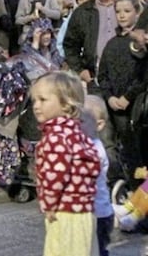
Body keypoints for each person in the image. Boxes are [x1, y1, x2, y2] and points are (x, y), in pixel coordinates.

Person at [31, 71, 100, 256]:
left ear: (66, 103)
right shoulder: (77, 133)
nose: (36, 106)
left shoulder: (55, 136)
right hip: (84, 211)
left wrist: (49, 203)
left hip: (65, 211)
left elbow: (55, 175)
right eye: (34, 101)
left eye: (43, 100)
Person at [96, 0, 145, 185]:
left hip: (137, 105)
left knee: (138, 149)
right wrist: (109, 97)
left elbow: (143, 75)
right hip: (115, 104)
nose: (122, 15)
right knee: (122, 149)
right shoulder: (112, 43)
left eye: (127, 11)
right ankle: (129, 190)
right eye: (118, 11)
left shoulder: (142, 42)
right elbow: (103, 75)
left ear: (137, 12)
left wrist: (128, 96)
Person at [63, 0, 119, 89]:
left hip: (130, 78)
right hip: (96, 78)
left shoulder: (130, 7)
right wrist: (80, 70)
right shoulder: (82, 12)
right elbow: (70, 45)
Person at [81, 96, 114, 256]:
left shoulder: (94, 149)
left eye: (82, 121)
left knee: (97, 250)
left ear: (99, 125)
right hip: (96, 213)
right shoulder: (86, 144)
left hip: (98, 214)